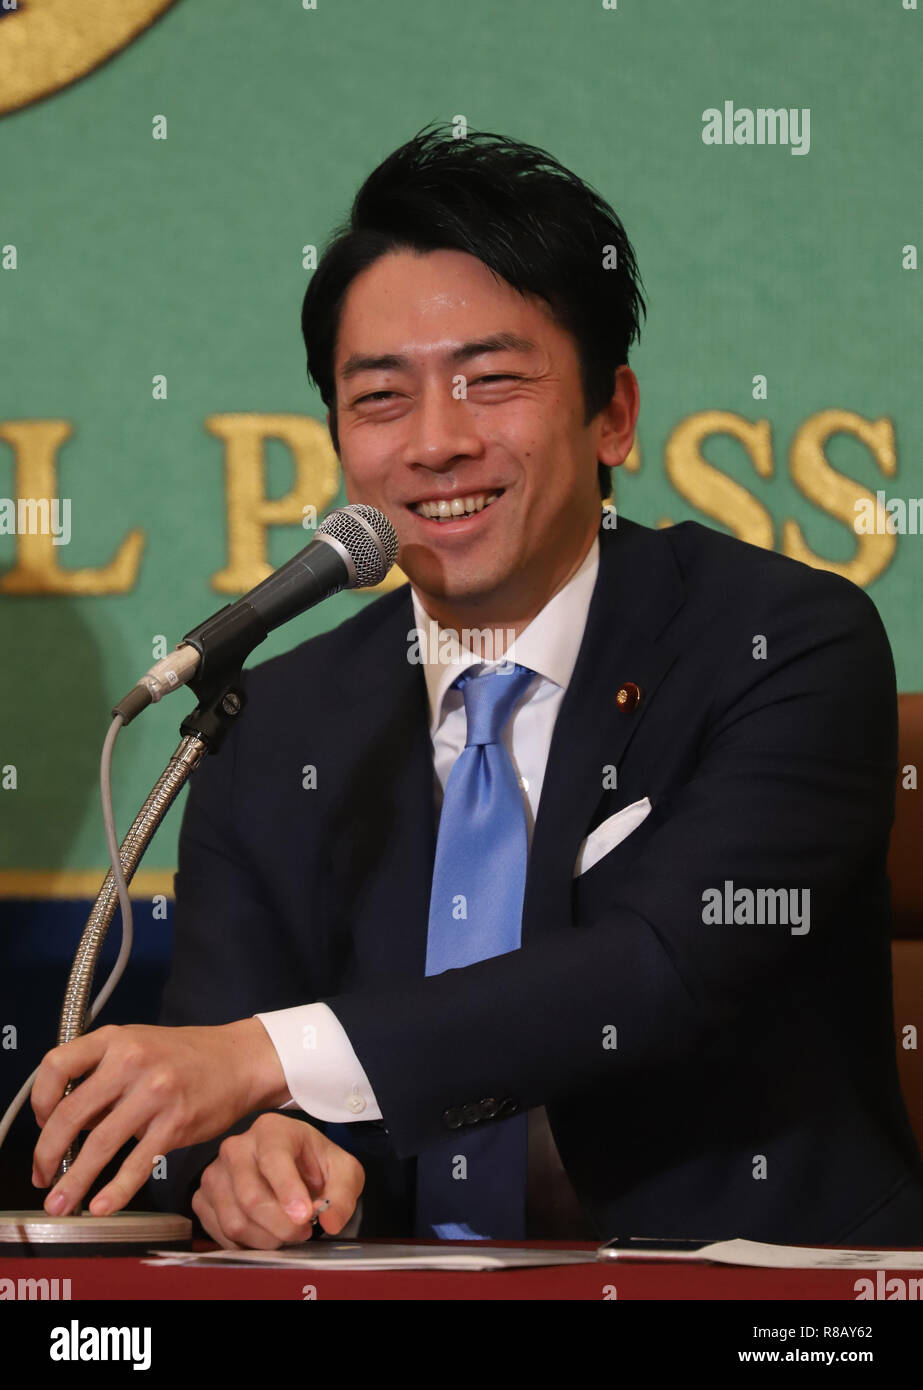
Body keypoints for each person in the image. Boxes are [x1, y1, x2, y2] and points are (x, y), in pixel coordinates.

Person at [31, 125, 923, 1250]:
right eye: (381, 399)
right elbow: (222, 1065)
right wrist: (253, 1153)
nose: (437, 443)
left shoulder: (782, 644)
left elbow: (654, 970)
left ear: (613, 413)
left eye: (490, 381)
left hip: (751, 1301)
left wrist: (260, 1056)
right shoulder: (273, 723)